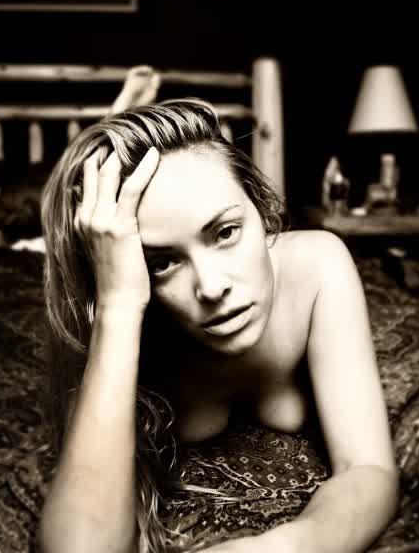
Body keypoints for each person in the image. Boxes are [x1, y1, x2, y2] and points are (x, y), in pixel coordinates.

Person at [38, 85, 399, 551]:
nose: (211, 287)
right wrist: (118, 305)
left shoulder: (318, 266)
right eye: (162, 262)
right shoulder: (116, 308)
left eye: (226, 232)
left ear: (263, 210)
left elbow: (368, 467)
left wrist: (283, 547)